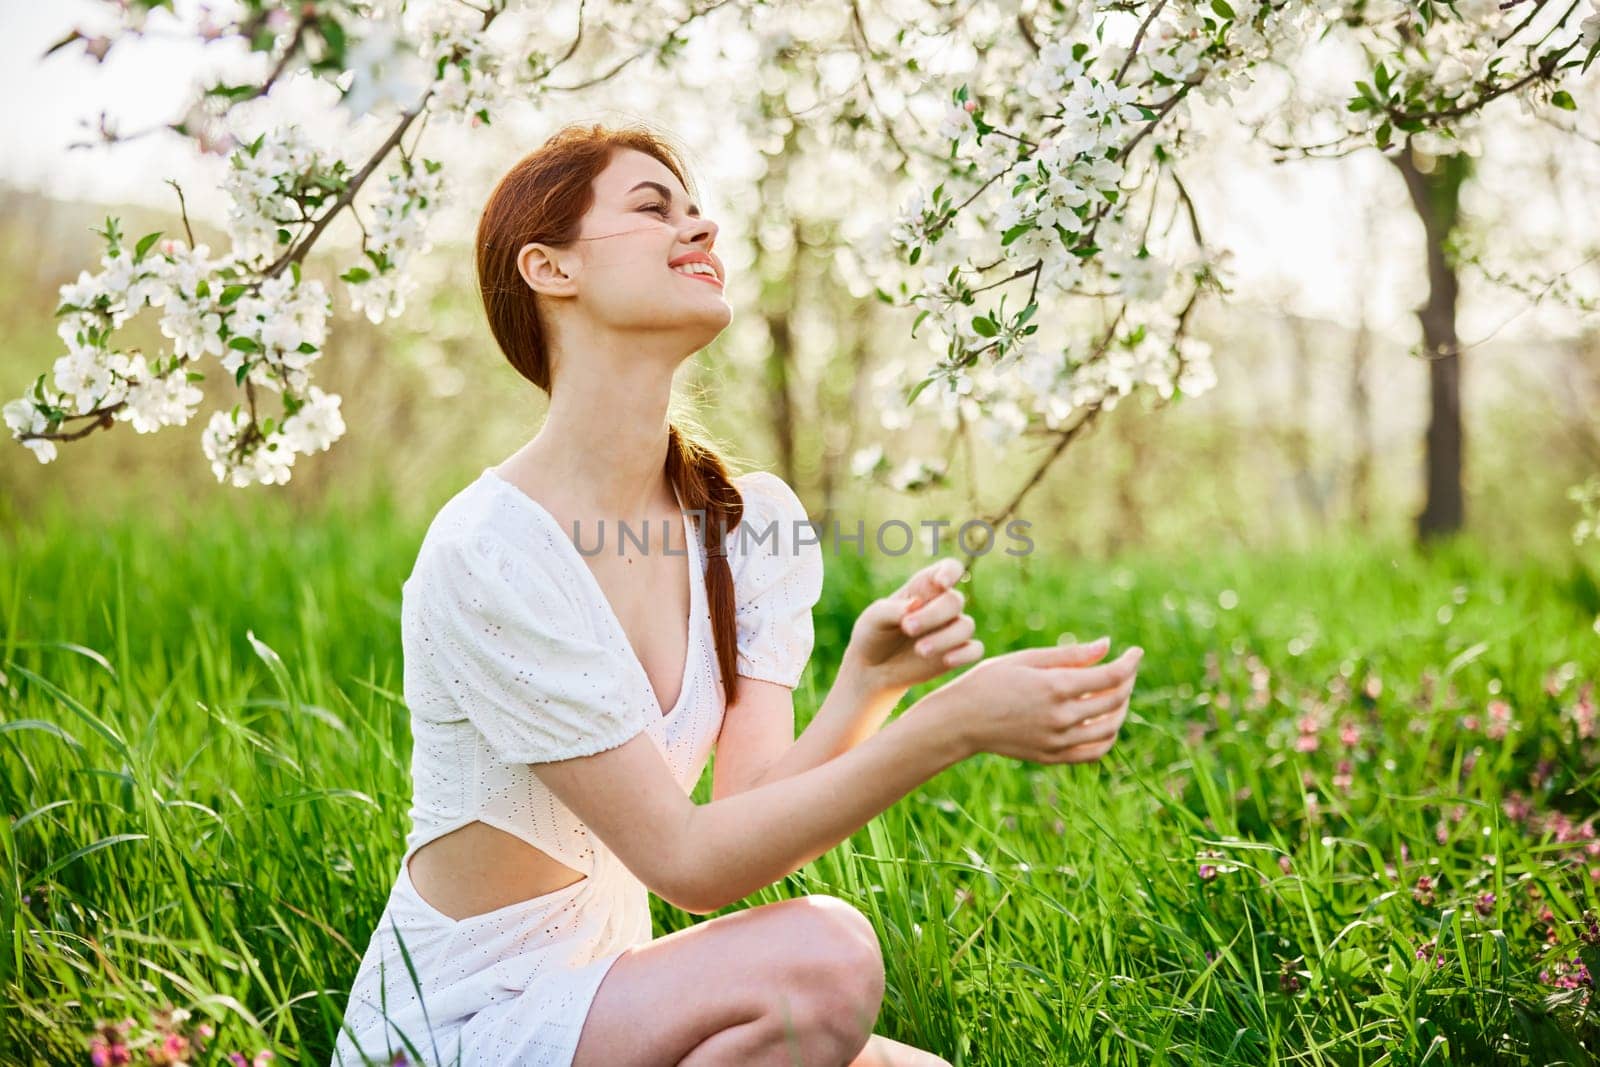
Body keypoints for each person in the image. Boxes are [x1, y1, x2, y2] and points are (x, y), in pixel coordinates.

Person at [332, 121, 1144, 1067]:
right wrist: (951, 725)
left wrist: (869, 688)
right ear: (551, 269)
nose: (701, 227)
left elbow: (747, 811)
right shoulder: (492, 550)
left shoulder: (743, 523)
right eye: (652, 208)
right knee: (824, 959)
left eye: (698, 209)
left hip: (612, 996)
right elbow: (691, 866)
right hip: (463, 1026)